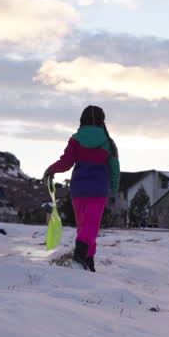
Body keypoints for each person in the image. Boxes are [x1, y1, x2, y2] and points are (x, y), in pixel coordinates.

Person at [43, 105, 119, 271]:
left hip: (78, 190)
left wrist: (50, 170)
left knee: (84, 226)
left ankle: (88, 264)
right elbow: (114, 168)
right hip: (98, 190)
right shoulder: (108, 142)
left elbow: (66, 163)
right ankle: (79, 256)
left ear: (82, 120)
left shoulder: (75, 139)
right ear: (102, 121)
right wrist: (114, 189)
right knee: (91, 226)